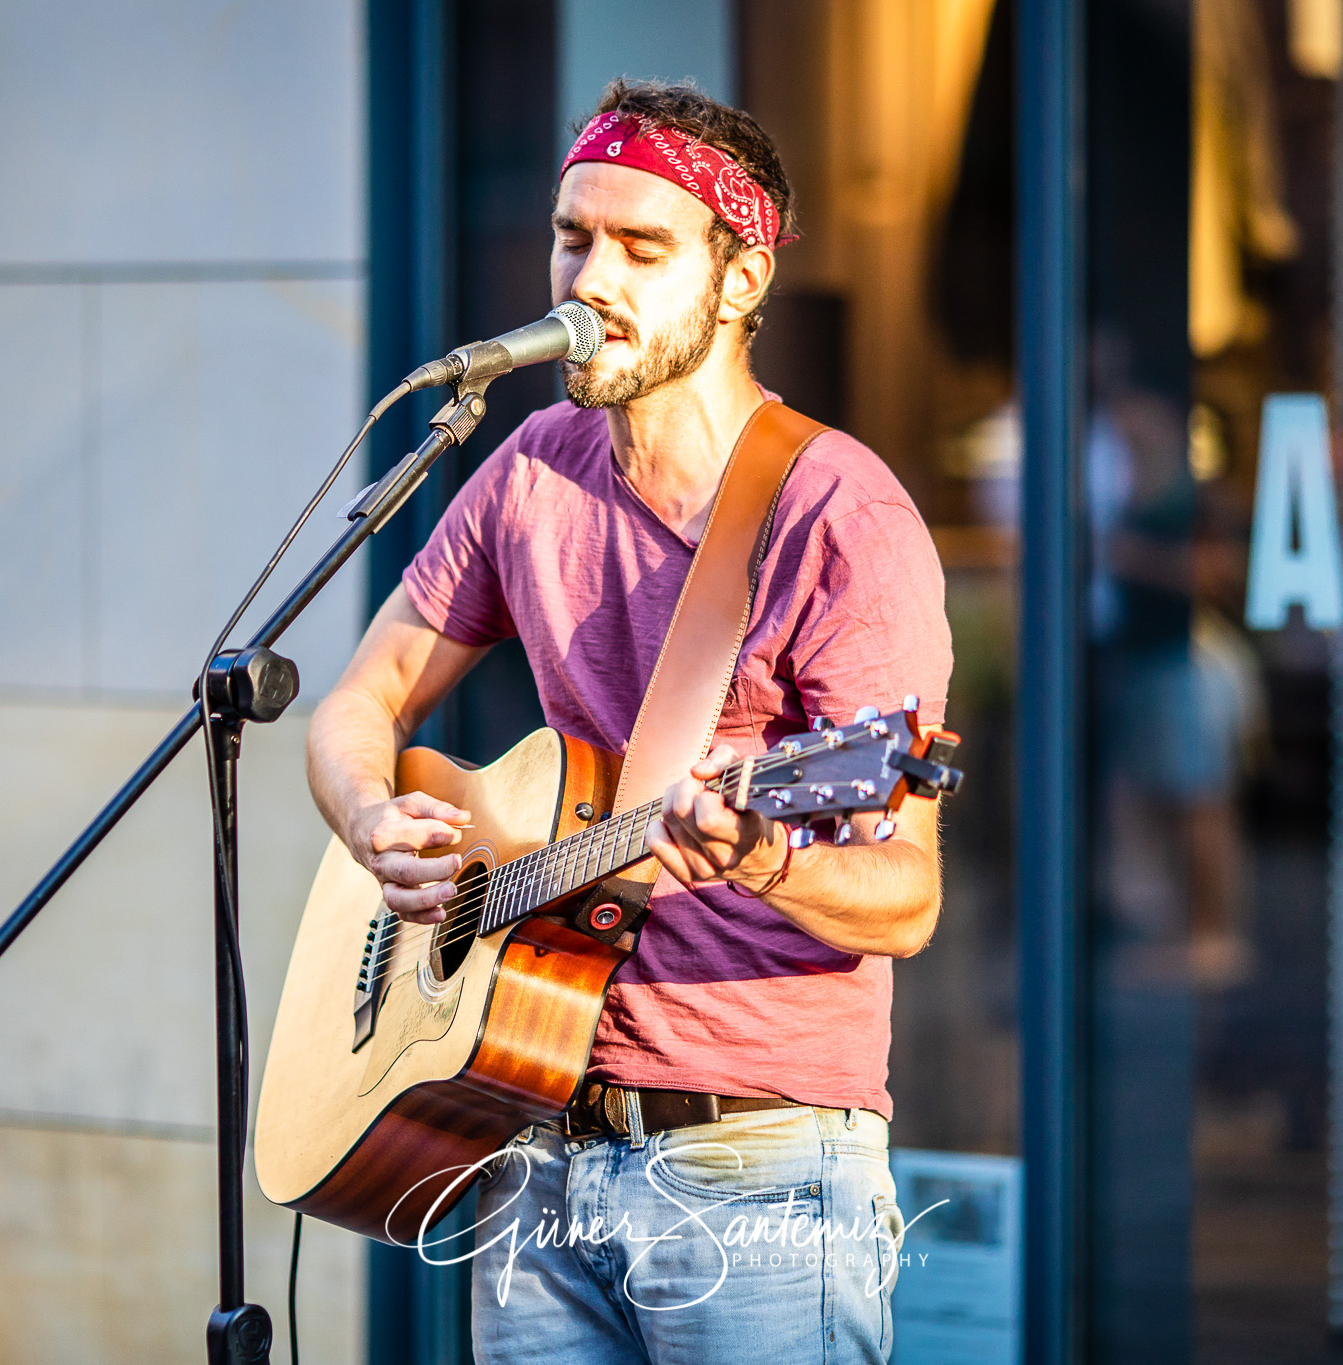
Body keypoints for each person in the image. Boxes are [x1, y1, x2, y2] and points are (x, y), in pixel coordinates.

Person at [304, 80, 953, 1364]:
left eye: (641, 247)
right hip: (530, 1138)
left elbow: (908, 898)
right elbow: (357, 704)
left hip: (759, 1164)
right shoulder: (531, 462)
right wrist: (376, 820)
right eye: (571, 236)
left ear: (736, 279)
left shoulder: (837, 518)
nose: (589, 276)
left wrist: (763, 853)